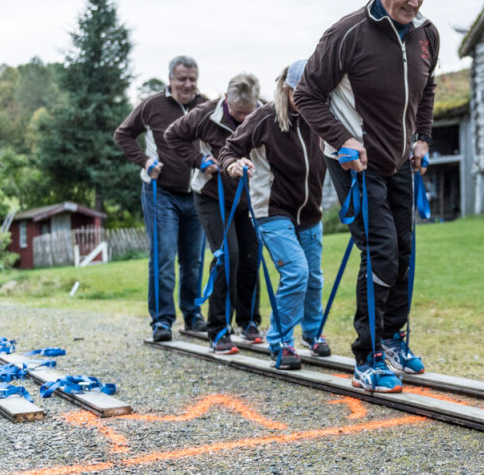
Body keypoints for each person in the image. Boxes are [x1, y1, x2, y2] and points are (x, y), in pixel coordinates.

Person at [295, 0, 439, 393]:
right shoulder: (347, 34)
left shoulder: (426, 34)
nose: (413, 3)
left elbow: (427, 89)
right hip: (355, 161)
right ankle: (369, 355)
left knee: (405, 251)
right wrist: (342, 140)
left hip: (398, 160)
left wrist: (422, 137)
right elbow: (306, 97)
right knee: (381, 250)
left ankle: (394, 339)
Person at [221, 61, 328, 370]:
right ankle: (280, 340)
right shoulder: (265, 118)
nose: (310, 96)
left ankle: (312, 332)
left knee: (314, 278)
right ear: (287, 89)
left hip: (310, 210)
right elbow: (230, 148)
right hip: (273, 209)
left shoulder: (320, 115)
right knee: (297, 273)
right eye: (303, 91)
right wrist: (233, 164)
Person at [164, 72, 264, 354]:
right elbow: (173, 135)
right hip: (212, 196)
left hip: (247, 198)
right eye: (238, 112)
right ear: (227, 100)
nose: (243, 119)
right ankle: (218, 329)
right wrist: (199, 160)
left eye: (249, 113)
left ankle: (248, 322)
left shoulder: (264, 112)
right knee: (226, 256)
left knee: (250, 255)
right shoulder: (205, 114)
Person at [115, 56, 209, 342]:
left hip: (196, 192)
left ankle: (193, 317)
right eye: (182, 79)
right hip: (160, 193)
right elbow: (123, 134)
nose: (188, 84)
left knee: (193, 261)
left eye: (192, 78)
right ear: (170, 79)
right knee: (164, 258)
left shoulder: (205, 106)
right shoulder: (152, 105)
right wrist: (145, 161)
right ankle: (162, 321)